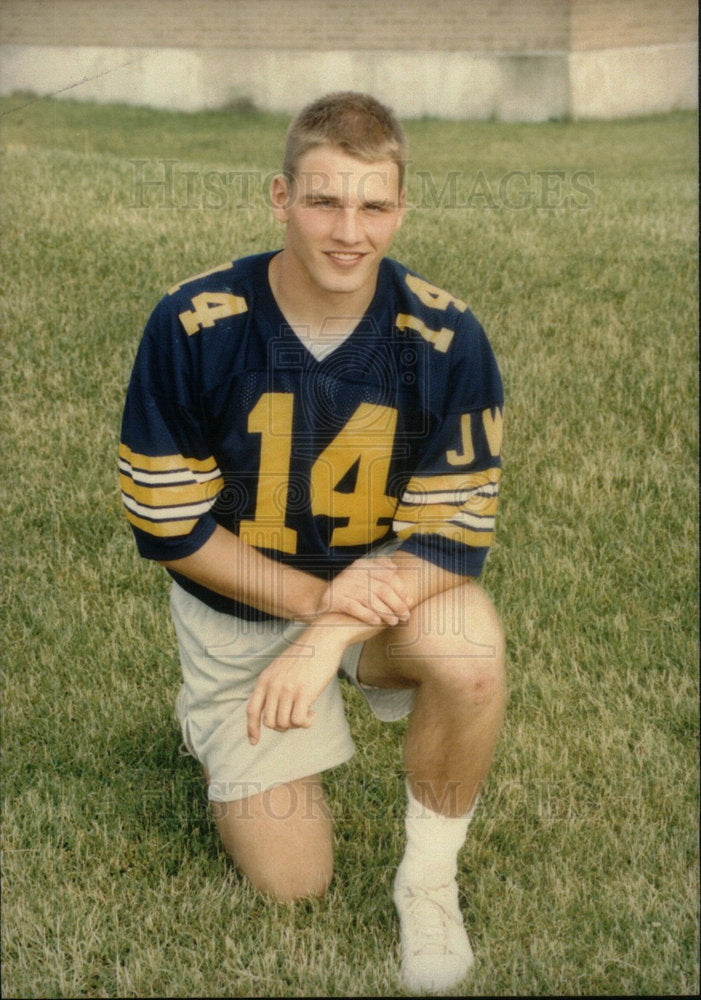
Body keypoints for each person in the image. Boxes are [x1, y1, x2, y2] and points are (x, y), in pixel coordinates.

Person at [119, 91, 505, 993]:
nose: (348, 231)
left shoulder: (446, 338)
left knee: (471, 650)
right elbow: (171, 527)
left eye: (373, 206)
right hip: (242, 613)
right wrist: (308, 608)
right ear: (280, 197)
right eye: (325, 201)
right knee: (295, 888)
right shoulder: (193, 322)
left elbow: (448, 536)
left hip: (375, 605)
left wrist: (332, 631)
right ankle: (209, 728)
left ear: (400, 209)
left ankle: (428, 884)